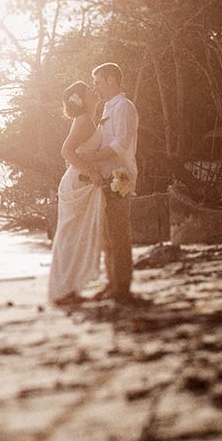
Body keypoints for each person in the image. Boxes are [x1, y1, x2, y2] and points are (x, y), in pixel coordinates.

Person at [82, 62, 139, 302]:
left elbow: (120, 144)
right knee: (106, 233)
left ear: (112, 79)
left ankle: (122, 285)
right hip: (105, 175)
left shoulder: (124, 107)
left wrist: (92, 157)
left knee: (118, 233)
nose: (95, 87)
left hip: (120, 175)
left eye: (98, 82)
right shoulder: (107, 107)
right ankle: (112, 282)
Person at [48, 81, 105, 305]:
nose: (94, 90)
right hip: (78, 183)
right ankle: (64, 289)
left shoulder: (88, 120)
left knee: (77, 235)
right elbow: (66, 151)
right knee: (71, 235)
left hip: (81, 182)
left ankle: (70, 287)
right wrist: (91, 172)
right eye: (89, 90)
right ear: (82, 99)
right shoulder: (82, 121)